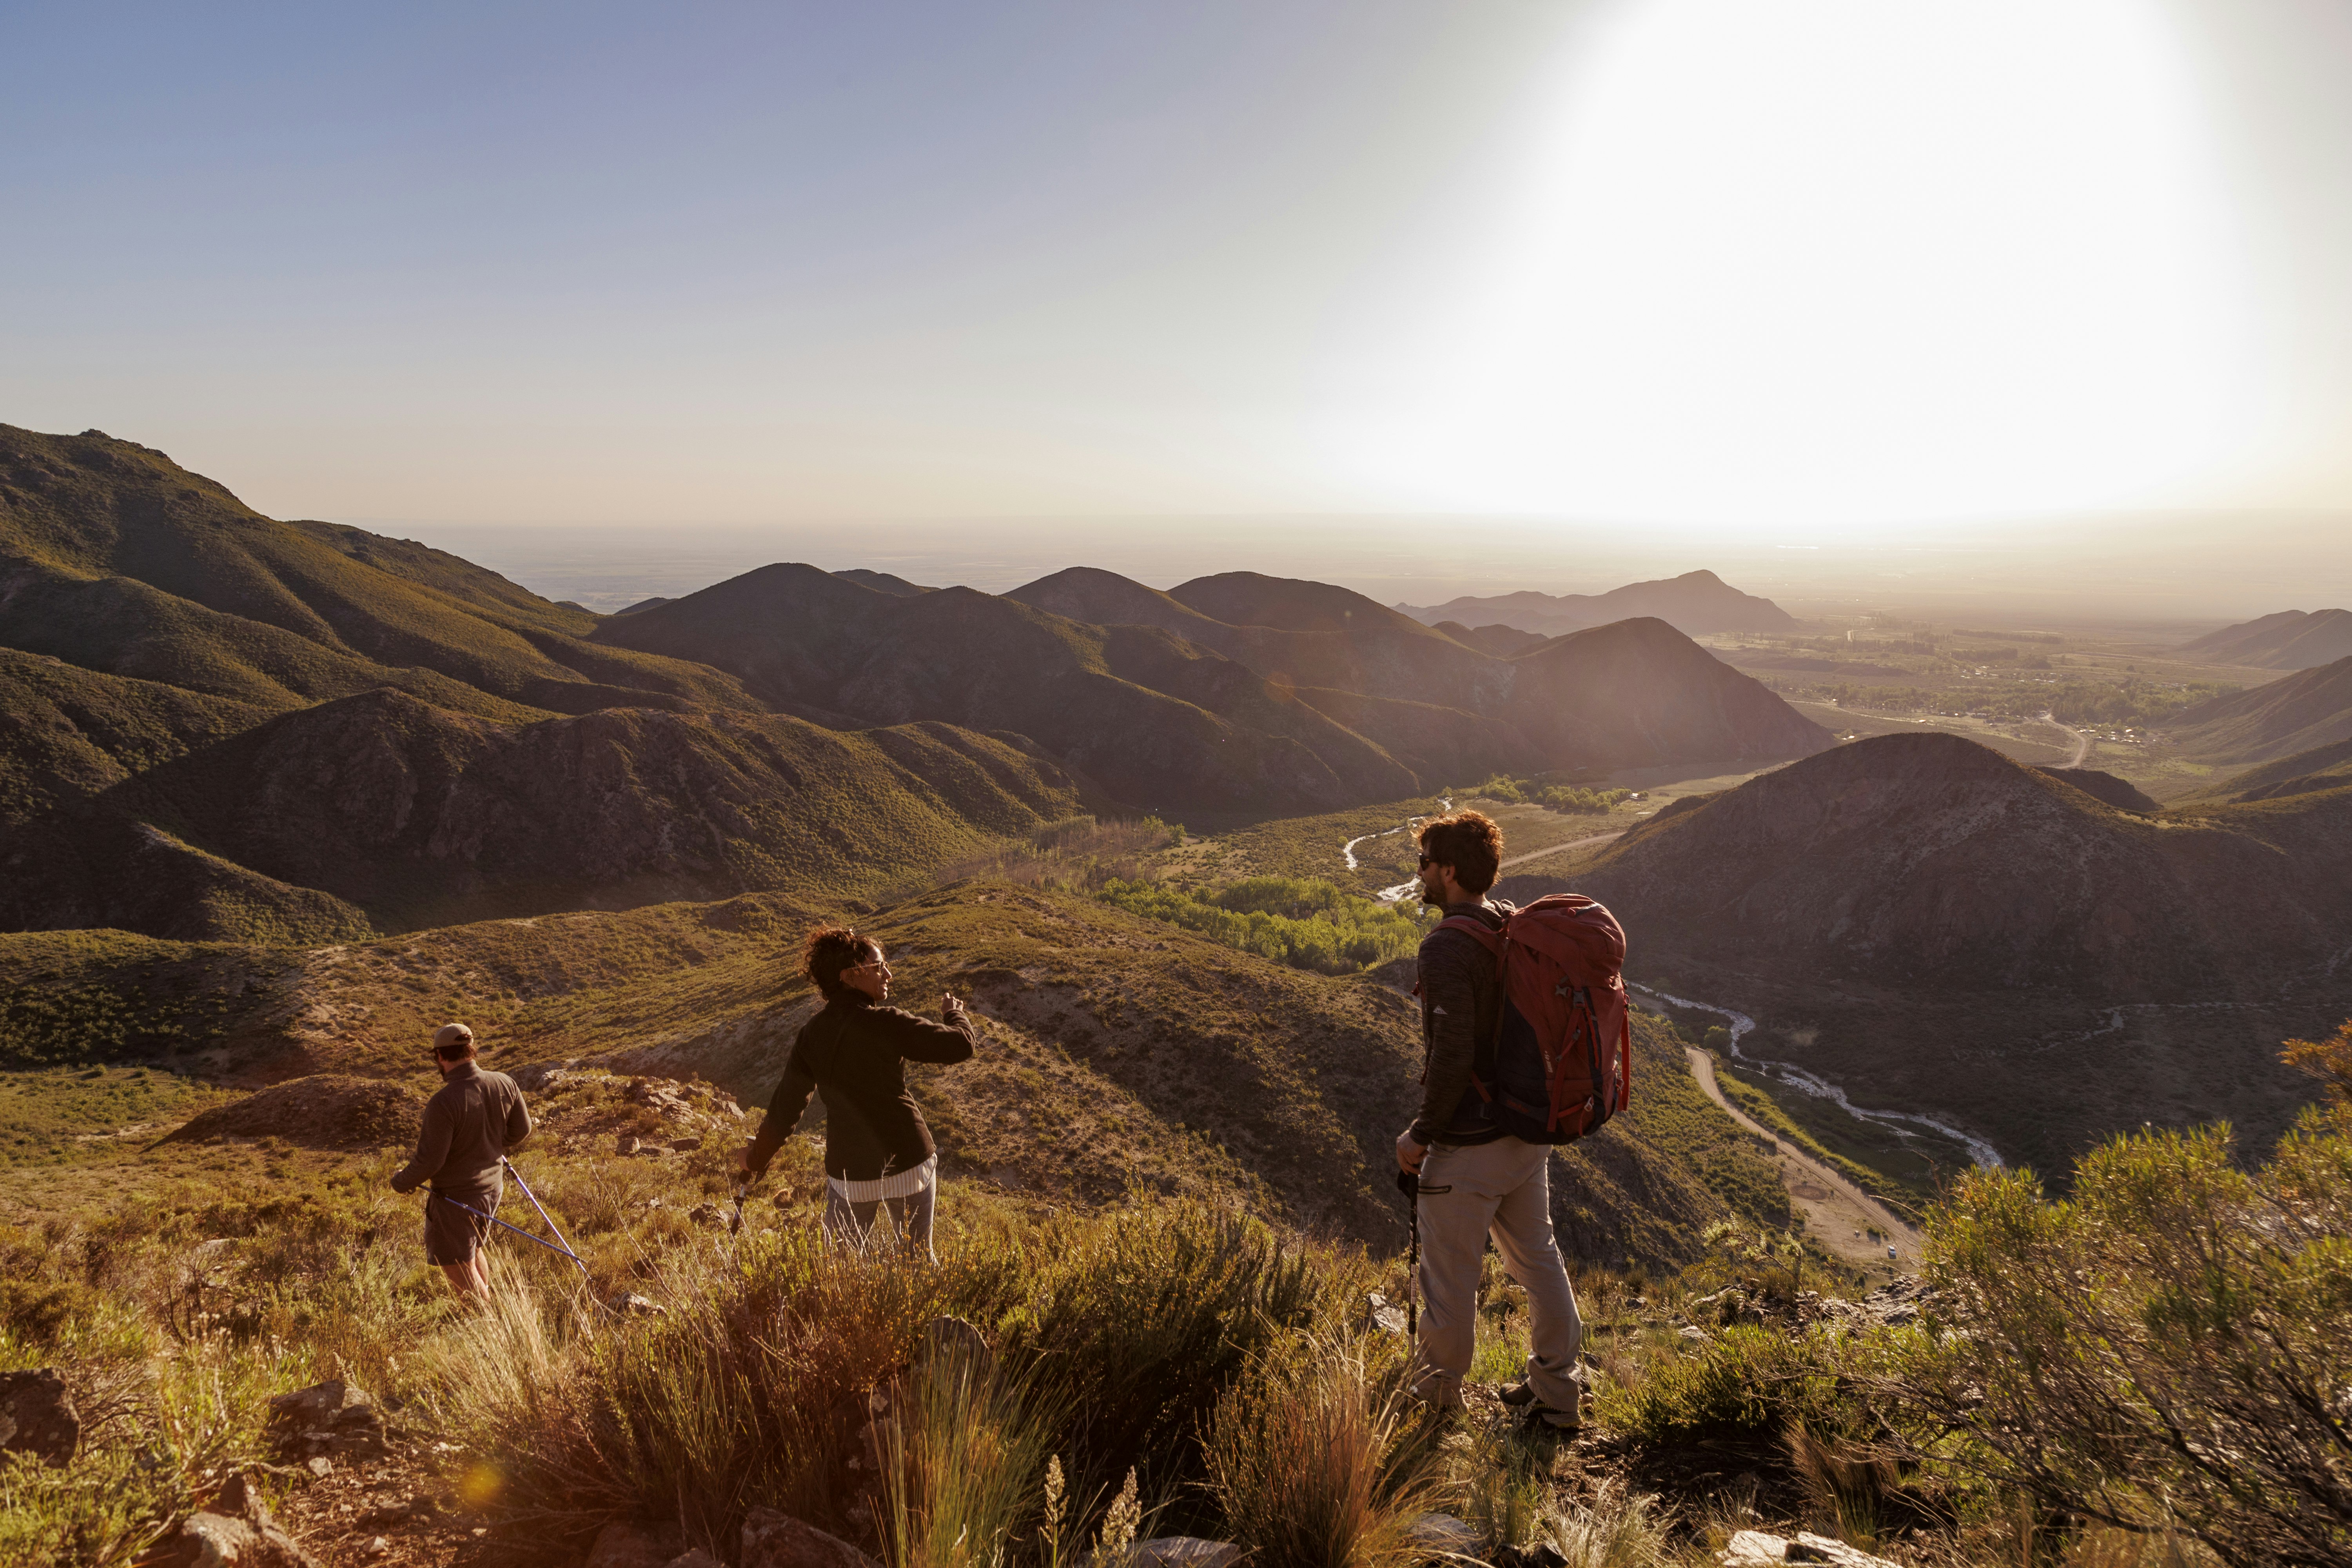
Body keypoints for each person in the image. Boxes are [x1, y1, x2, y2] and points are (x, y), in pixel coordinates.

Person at [1394, 810, 1587, 1428]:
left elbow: (1451, 1056)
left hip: (1471, 1144)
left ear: (1448, 871)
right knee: (1538, 1258)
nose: (1418, 874)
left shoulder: (1446, 945)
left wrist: (1420, 1135)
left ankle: (1435, 1405)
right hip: (1525, 1133)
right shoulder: (1509, 924)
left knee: (1449, 1282)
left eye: (1424, 863)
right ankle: (1558, 1392)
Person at [739, 927, 976, 1261]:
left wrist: (755, 1159)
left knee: (840, 1268)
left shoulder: (811, 1037)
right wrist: (955, 1014)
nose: (888, 974)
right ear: (850, 976)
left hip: (851, 1172)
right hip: (909, 1160)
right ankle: (928, 1315)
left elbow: (785, 1109)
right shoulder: (886, 1023)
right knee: (919, 1262)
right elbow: (961, 1045)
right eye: (879, 967)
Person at [389, 1023, 534, 1301]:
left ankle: (489, 1326)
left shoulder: (443, 1102)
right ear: (470, 1050)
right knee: (473, 1250)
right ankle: (495, 1317)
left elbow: (430, 1162)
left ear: (441, 1057)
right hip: (492, 1189)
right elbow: (522, 1130)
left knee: (456, 1263)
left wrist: (401, 1182)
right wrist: (487, 1147)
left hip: (456, 1198)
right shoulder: (505, 1083)